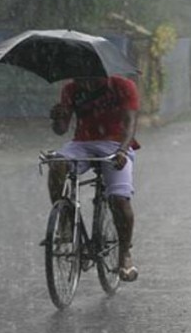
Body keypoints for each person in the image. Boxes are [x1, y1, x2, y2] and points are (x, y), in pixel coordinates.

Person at [47, 74, 140, 282]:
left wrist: (123, 151)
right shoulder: (71, 89)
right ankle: (66, 221)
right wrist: (57, 118)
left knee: (119, 199)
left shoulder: (123, 86)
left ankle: (124, 253)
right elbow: (61, 130)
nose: (84, 82)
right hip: (81, 145)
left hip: (116, 144)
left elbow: (130, 122)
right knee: (56, 164)